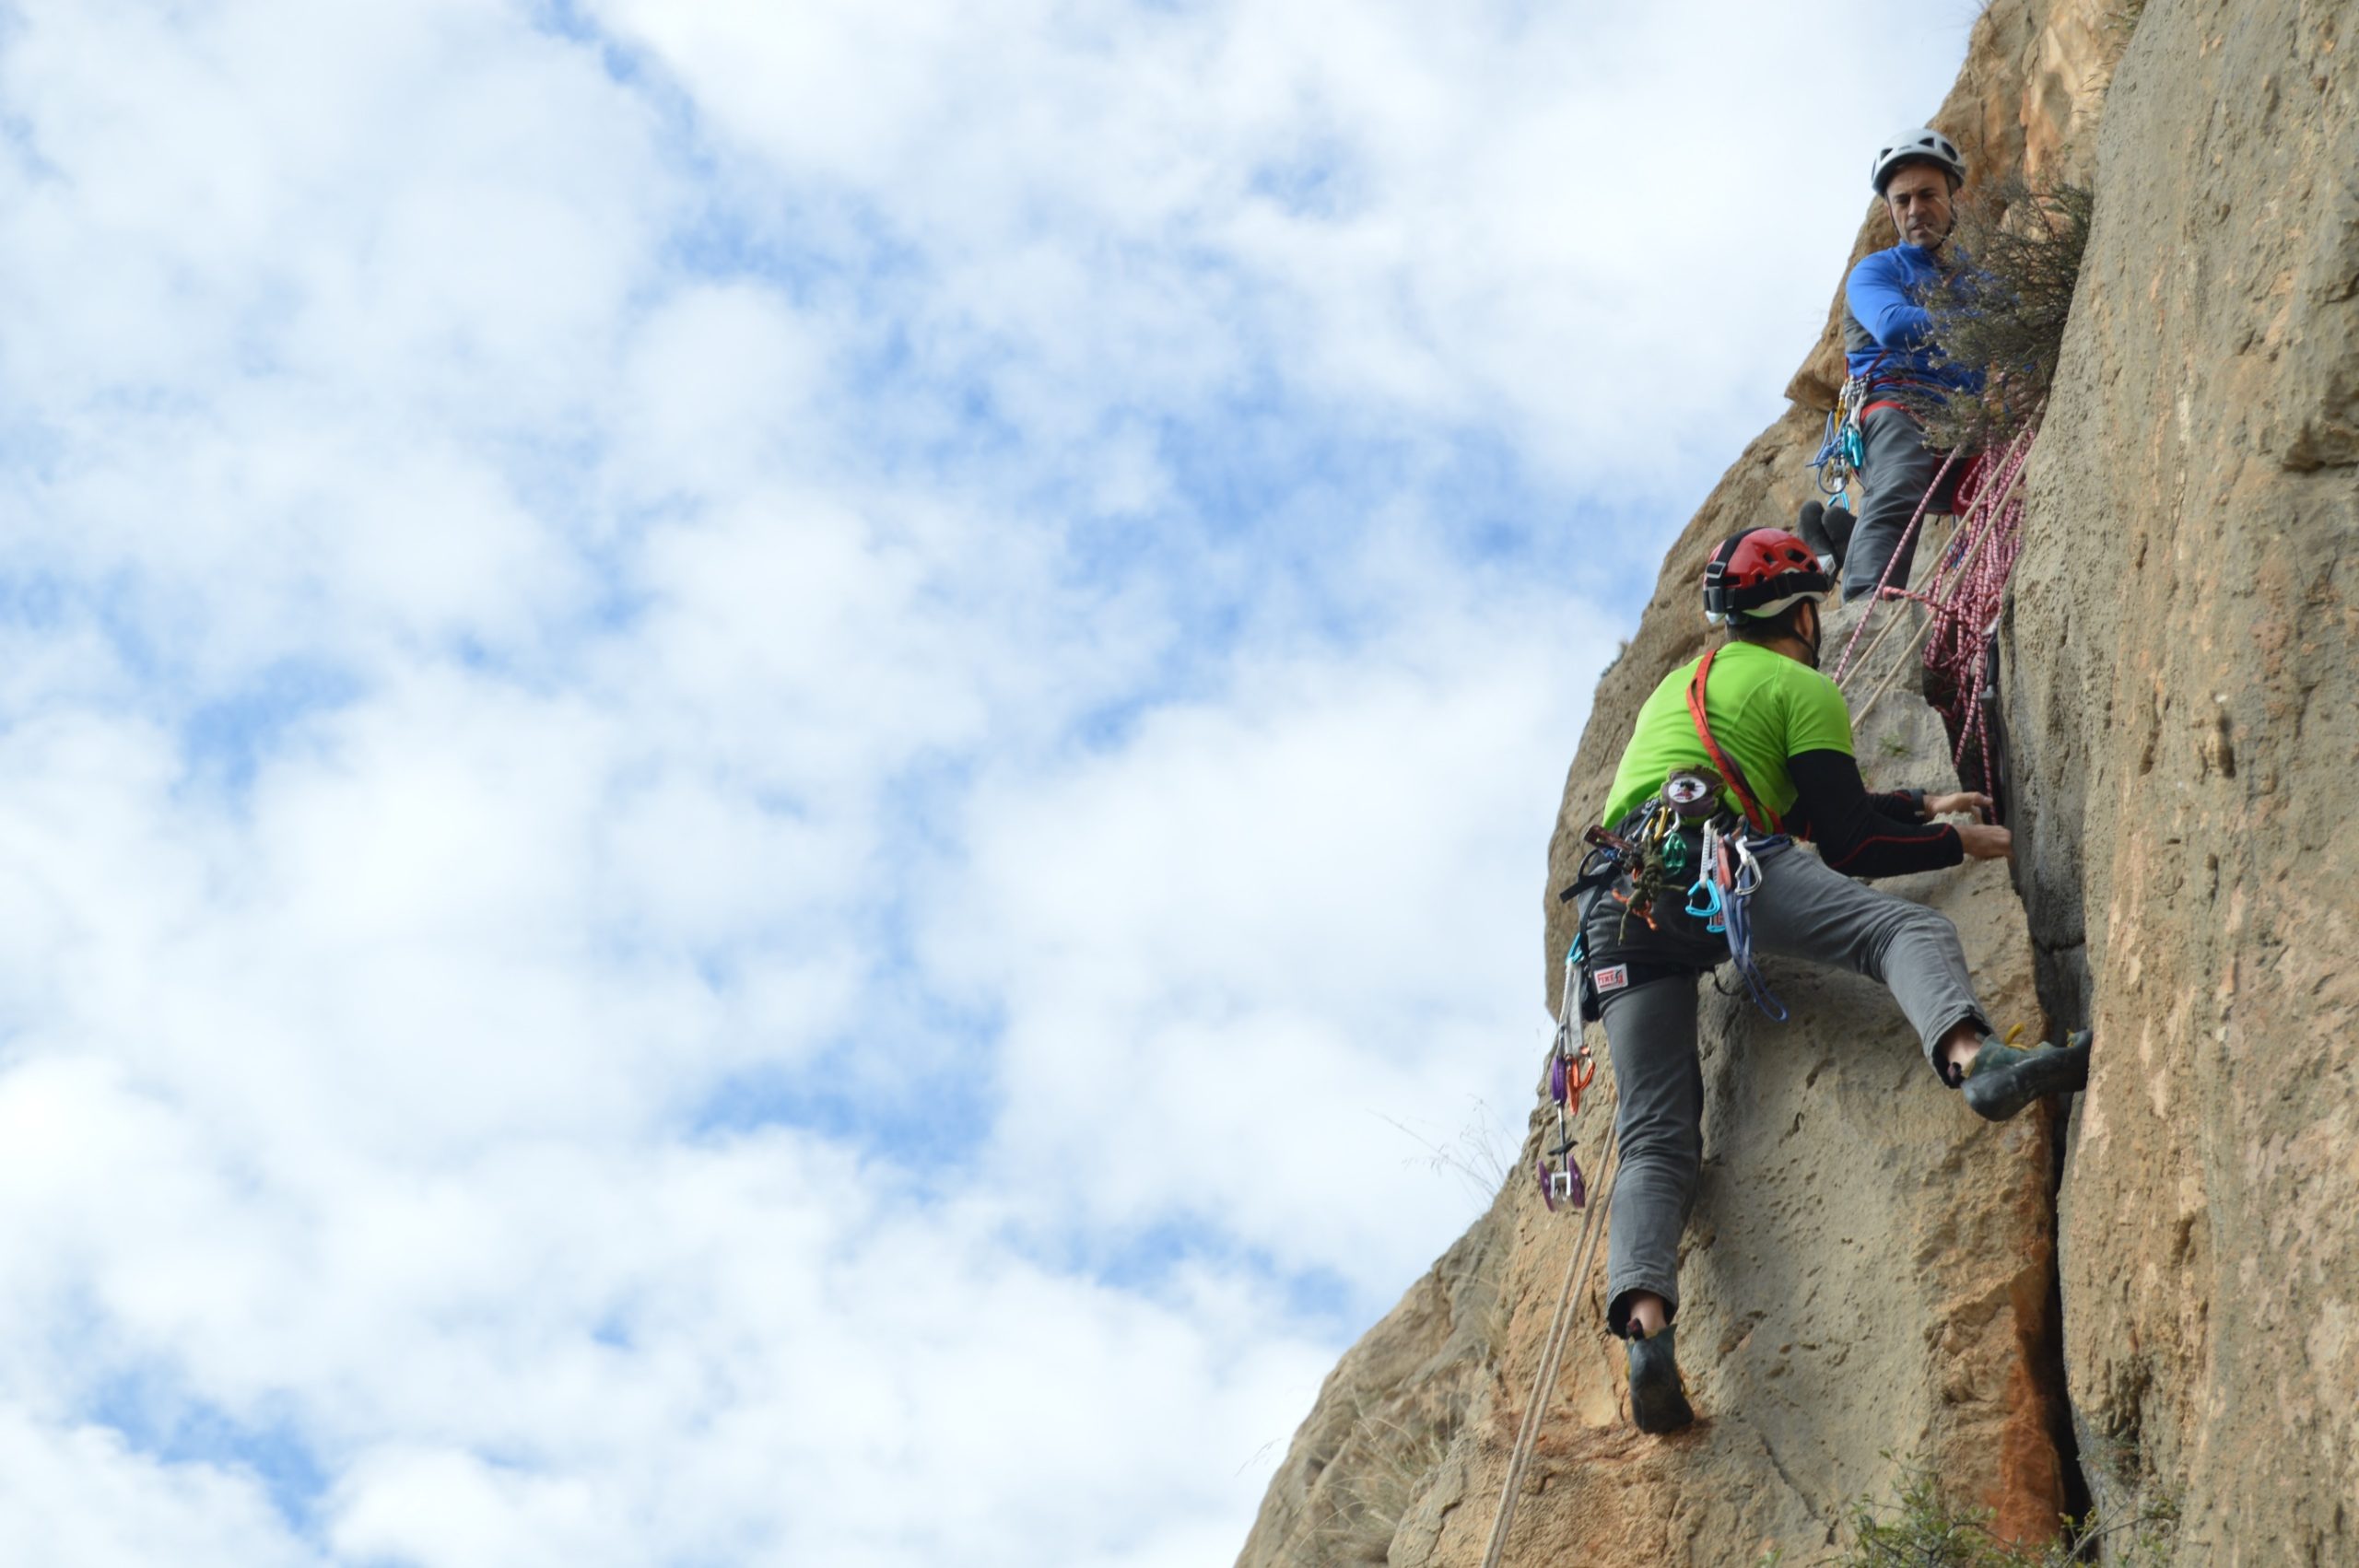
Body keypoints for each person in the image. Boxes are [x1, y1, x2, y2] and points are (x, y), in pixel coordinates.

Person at [1570, 527, 2091, 1433]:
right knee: (1906, 928)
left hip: (1619, 898)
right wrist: (1950, 842)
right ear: (1802, 615)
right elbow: (1847, 846)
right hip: (1717, 863)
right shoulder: (1799, 685)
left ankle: (1646, 1327)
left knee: (1654, 1138)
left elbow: (1814, 809)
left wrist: (1918, 806)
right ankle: (1977, 1060)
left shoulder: (1678, 690)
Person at [1839, 126, 1980, 602]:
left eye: (1927, 194)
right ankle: (1865, 604)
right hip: (1896, 404)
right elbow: (1895, 325)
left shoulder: (1978, 281)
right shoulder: (1876, 271)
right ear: (1890, 211)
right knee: (1901, 471)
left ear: (1952, 196)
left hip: (1965, 424)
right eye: (1902, 201)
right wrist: (1986, 325)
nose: (1915, 210)